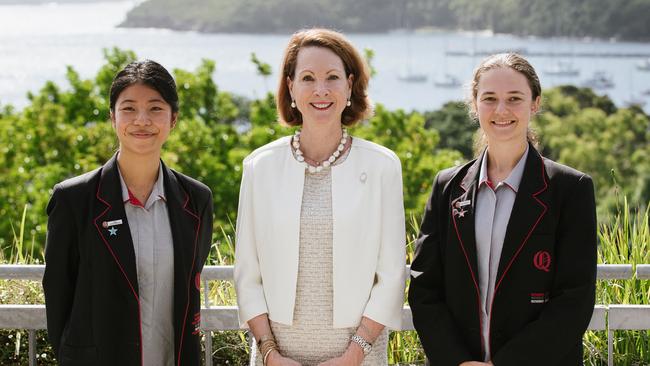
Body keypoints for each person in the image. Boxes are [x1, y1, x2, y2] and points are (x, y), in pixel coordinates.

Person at [408, 53, 597, 366]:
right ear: (475, 103)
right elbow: (425, 288)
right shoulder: (447, 186)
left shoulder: (570, 188)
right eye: (490, 98)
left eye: (514, 98)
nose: (501, 110)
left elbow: (574, 300)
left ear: (534, 103)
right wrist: (456, 361)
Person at [234, 28, 406, 366]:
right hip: (276, 359)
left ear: (350, 85)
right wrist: (270, 355)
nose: (321, 90)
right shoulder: (259, 166)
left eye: (332, 77)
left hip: (360, 359)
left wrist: (354, 355)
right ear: (291, 87)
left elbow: (391, 276)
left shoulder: (382, 166)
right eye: (308, 78)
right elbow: (247, 274)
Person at [42, 60, 213, 366]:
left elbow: (190, 291)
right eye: (129, 108)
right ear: (113, 117)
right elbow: (58, 298)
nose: (142, 120)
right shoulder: (73, 200)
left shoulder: (196, 200)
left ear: (173, 119)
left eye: (156, 109)